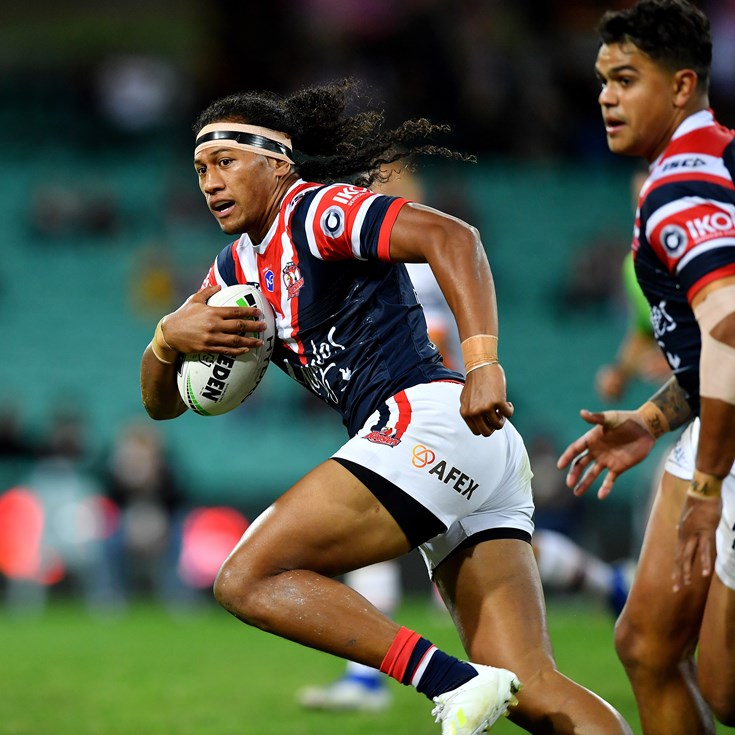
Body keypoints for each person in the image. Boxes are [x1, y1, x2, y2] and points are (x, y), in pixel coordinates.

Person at [140, 79, 631, 734]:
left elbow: (454, 238)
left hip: (428, 421)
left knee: (244, 578)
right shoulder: (231, 272)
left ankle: (448, 681)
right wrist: (165, 339)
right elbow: (162, 406)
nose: (210, 182)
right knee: (535, 691)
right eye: (201, 168)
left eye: (225, 161)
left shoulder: (313, 210)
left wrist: (483, 362)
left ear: (277, 162)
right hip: (457, 444)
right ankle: (468, 679)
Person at [557, 2, 735, 732]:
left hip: (728, 441)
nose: (606, 97)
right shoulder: (710, 159)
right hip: (716, 416)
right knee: (646, 645)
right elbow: (707, 350)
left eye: (626, 80)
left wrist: (707, 485)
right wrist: (653, 417)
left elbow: (729, 333)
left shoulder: (681, 188)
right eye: (603, 80)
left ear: (682, 85)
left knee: (726, 689)